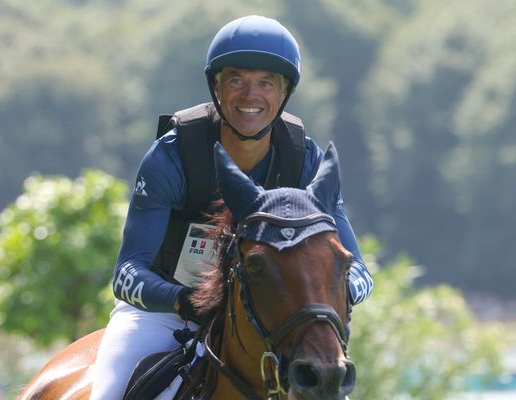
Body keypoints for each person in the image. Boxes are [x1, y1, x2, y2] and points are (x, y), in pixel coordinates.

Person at [90, 15, 373, 399]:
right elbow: (126, 273)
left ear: (284, 92)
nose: (250, 95)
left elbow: (357, 270)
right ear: (217, 88)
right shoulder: (172, 157)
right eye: (236, 80)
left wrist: (324, 303)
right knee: (107, 393)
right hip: (164, 313)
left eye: (266, 83)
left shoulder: (304, 160)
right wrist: (182, 300)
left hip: (266, 321)